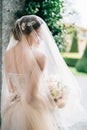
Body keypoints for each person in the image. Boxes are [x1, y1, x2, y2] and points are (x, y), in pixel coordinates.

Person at [1, 15, 87, 130]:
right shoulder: (39, 57)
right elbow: (30, 97)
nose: (40, 39)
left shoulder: (8, 54)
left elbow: (12, 90)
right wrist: (52, 101)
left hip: (12, 112)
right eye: (38, 35)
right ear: (30, 33)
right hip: (31, 114)